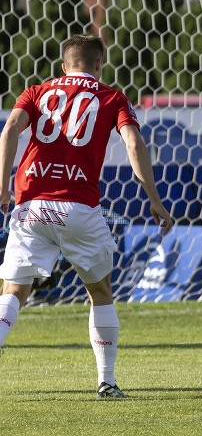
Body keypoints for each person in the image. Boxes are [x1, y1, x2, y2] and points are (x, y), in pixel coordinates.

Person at [0, 34, 174, 398]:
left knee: (14, 291)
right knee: (99, 291)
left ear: (64, 65)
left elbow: (9, 131)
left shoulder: (35, 92)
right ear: (99, 64)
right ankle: (106, 382)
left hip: (31, 204)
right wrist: (154, 199)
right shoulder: (111, 97)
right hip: (78, 207)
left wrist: (2, 188)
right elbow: (133, 143)